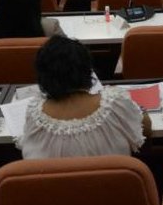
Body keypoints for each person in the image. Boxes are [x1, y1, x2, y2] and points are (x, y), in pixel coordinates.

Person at [17, 35, 149, 159]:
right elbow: (144, 132)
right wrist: (141, 110)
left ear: (42, 77)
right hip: (111, 183)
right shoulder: (115, 102)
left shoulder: (34, 113)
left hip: (50, 184)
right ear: (87, 70)